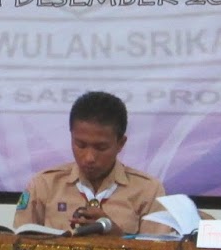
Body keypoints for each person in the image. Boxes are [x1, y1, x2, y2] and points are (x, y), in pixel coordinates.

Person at [15, 90, 165, 235]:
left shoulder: (148, 191)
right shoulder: (44, 186)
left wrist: (118, 239)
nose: (89, 158)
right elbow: (16, 246)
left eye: (101, 147)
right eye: (80, 145)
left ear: (120, 143)